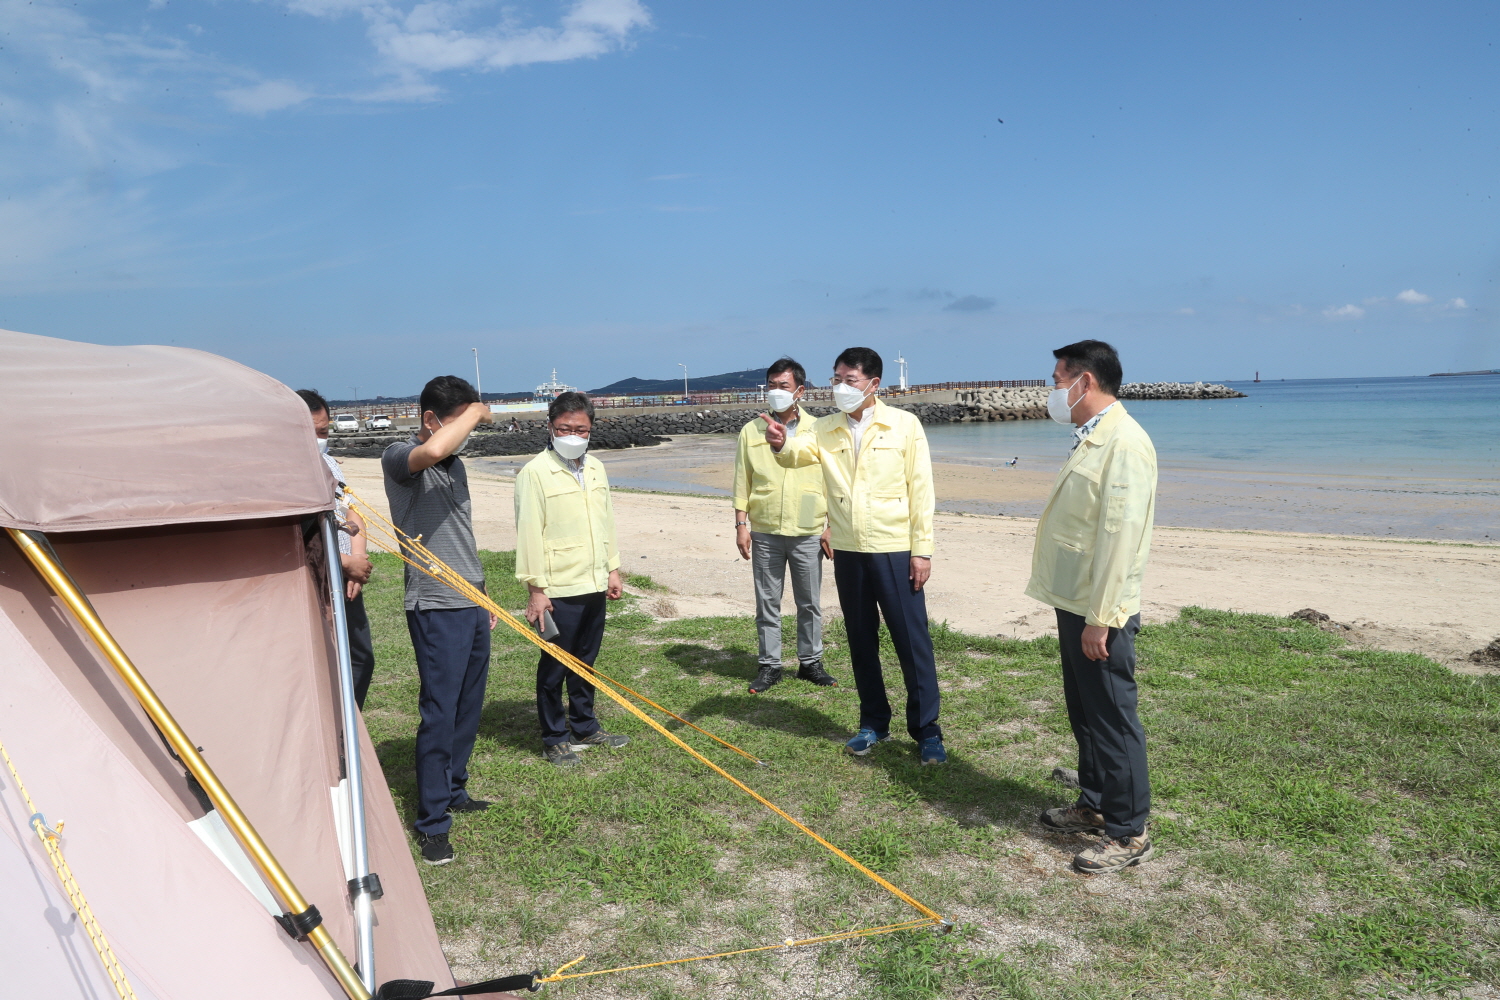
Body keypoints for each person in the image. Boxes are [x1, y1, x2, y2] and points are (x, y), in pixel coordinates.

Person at [764, 347, 946, 765]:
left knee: (911, 642)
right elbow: (797, 454)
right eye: (836, 379)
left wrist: (923, 551)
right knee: (861, 641)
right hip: (847, 550)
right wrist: (779, 443)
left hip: (895, 548)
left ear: (874, 384)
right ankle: (873, 722)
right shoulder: (826, 428)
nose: (840, 387)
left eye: (849, 380)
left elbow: (922, 492)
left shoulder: (903, 425)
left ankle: (927, 731)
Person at [1026, 339, 1159, 874]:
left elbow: (1121, 538)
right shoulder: (1094, 437)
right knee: (1085, 711)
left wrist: (1102, 618)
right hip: (1075, 597)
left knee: (1111, 715)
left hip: (1099, 607)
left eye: (1059, 379)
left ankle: (1129, 831)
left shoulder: (1125, 442)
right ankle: (1096, 804)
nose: (1054, 389)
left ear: (1086, 382)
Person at [381, 376, 496, 866]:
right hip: (434, 604)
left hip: (470, 600)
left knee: (469, 706)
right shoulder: (399, 456)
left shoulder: (456, 462)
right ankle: (432, 823)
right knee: (440, 711)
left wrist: (484, 594)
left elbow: (462, 536)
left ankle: (455, 788)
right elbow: (430, 452)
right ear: (430, 420)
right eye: (458, 423)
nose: (464, 436)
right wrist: (479, 412)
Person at [514, 391, 630, 768]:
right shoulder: (535, 472)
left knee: (586, 660)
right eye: (564, 428)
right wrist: (536, 590)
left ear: (591, 429)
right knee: (555, 665)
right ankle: (554, 736)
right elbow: (529, 532)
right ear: (550, 427)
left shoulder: (595, 467)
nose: (573, 435)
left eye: (580, 429)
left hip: (594, 580)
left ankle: (584, 725)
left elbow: (606, 520)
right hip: (558, 587)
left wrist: (612, 568)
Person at [733, 358, 835, 694]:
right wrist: (741, 524)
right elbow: (741, 480)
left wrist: (831, 525)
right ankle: (769, 665)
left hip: (807, 529)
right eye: (772, 386)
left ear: (800, 391)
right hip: (764, 530)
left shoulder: (820, 429)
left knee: (809, 602)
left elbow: (835, 482)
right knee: (767, 602)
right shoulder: (752, 431)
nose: (776, 392)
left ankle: (810, 662)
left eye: (784, 386)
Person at [296, 389, 376, 708]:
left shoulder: (330, 463)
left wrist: (357, 558)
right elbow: (297, 540)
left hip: (345, 579)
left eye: (324, 431)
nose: (320, 439)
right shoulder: (286, 475)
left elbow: (353, 513)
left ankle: (350, 737)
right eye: (313, 432)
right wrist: (344, 563)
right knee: (322, 663)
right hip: (316, 580)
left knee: (360, 658)